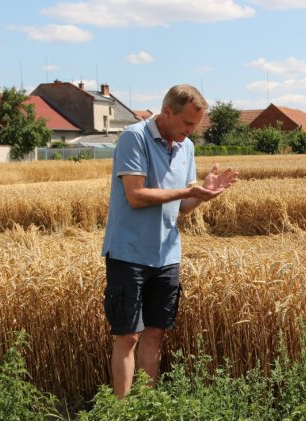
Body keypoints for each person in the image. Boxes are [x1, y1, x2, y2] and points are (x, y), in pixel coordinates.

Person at [101, 84, 238, 398]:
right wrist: (187, 191)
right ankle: (121, 416)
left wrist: (205, 194)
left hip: (166, 255)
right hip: (128, 253)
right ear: (167, 113)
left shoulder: (185, 147)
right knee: (128, 337)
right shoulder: (134, 138)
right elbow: (135, 196)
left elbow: (182, 208)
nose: (191, 132)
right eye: (188, 124)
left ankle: (147, 406)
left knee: (155, 334)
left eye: (196, 126)